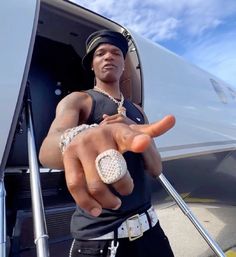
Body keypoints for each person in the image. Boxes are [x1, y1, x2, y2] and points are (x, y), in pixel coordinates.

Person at [39, 29, 175, 257]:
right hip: (100, 242)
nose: (108, 57)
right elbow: (46, 151)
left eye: (115, 53)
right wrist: (78, 136)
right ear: (92, 64)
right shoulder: (79, 100)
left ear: (123, 64)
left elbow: (156, 168)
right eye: (100, 53)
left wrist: (132, 126)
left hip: (151, 232)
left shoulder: (137, 111)